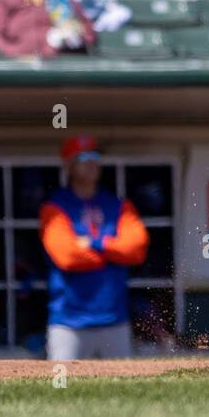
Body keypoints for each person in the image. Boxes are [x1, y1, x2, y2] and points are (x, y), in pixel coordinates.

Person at [40, 136, 149, 360]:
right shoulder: (55, 207)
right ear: (68, 165)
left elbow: (136, 249)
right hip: (69, 322)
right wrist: (113, 251)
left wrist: (93, 244)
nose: (91, 163)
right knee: (64, 391)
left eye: (95, 157)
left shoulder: (118, 206)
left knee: (125, 390)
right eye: (83, 157)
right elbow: (67, 256)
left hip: (114, 320)